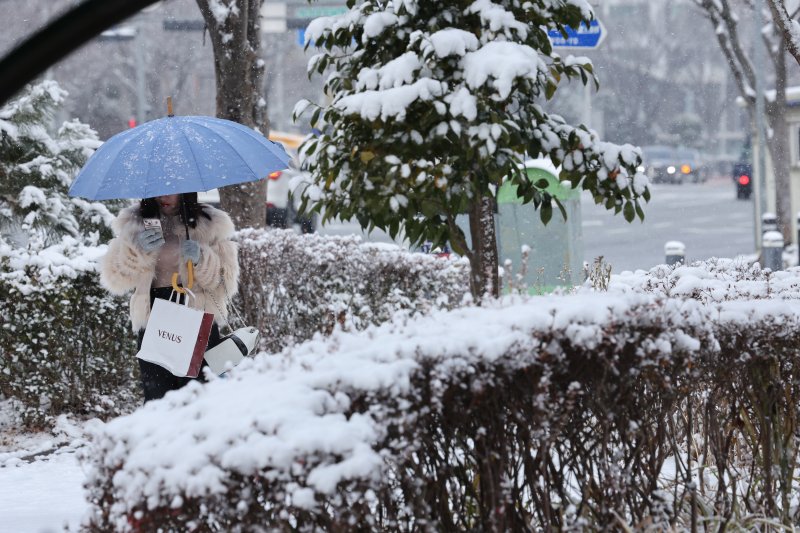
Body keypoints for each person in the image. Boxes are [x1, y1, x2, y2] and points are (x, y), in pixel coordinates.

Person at [100, 192, 239, 402]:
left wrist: (202, 258)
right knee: (158, 396)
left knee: (198, 395)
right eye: (158, 189)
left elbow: (225, 283)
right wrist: (137, 251)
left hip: (197, 315)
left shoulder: (210, 223)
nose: (164, 195)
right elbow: (115, 279)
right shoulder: (135, 223)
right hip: (155, 314)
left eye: (170, 189)